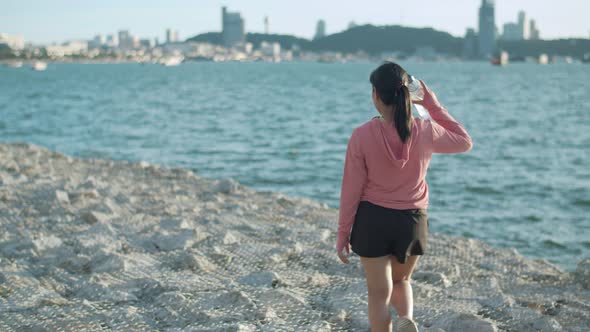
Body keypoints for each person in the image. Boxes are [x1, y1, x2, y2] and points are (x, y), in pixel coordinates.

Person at [335, 61, 473, 332]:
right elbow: (464, 140)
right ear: (407, 94)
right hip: (412, 221)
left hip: (372, 219)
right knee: (401, 282)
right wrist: (431, 104)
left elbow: (351, 188)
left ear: (376, 95)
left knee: (377, 294)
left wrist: (343, 232)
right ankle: (406, 318)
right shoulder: (426, 130)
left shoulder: (361, 135)